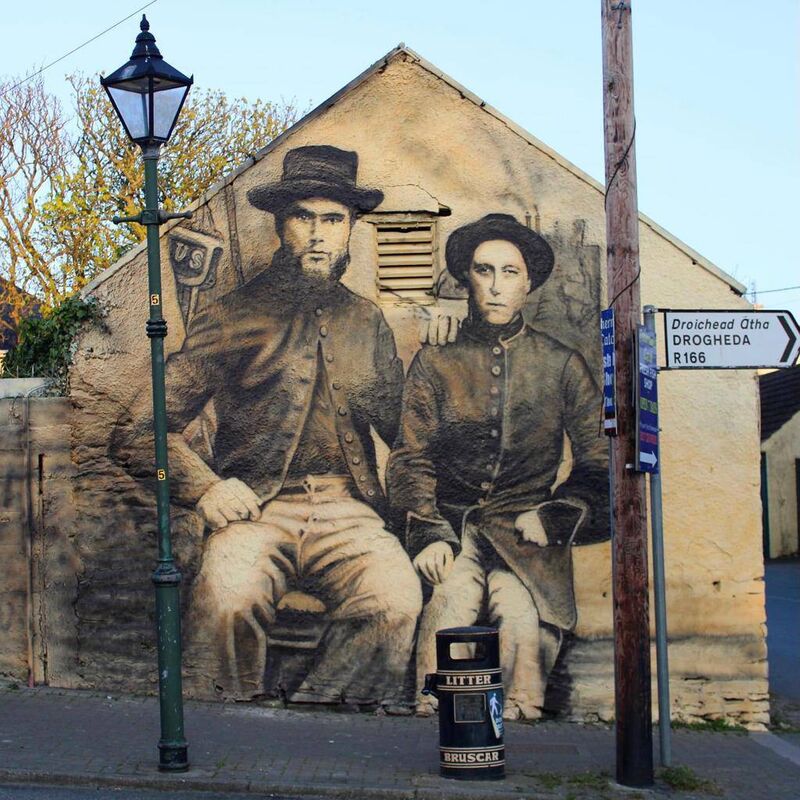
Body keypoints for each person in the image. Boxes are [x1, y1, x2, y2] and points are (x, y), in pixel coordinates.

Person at [115, 145, 421, 706]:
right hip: (256, 508)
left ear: (350, 227)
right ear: (281, 225)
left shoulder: (366, 320)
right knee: (227, 596)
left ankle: (322, 716)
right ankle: (222, 720)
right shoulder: (234, 313)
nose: (318, 234)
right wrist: (205, 487)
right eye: (303, 217)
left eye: (333, 219)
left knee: (395, 601)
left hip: (350, 512)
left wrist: (445, 373)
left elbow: (406, 430)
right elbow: (138, 430)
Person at [387, 213, 608, 719]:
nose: (495, 287)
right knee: (451, 606)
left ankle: (519, 732)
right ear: (468, 278)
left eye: (510, 273)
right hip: (455, 526)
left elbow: (598, 458)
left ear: (528, 283)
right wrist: (427, 531)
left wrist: (557, 514)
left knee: (520, 620)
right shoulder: (436, 361)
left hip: (527, 535)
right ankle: (439, 718)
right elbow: (410, 456)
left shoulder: (561, 364)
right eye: (484, 271)